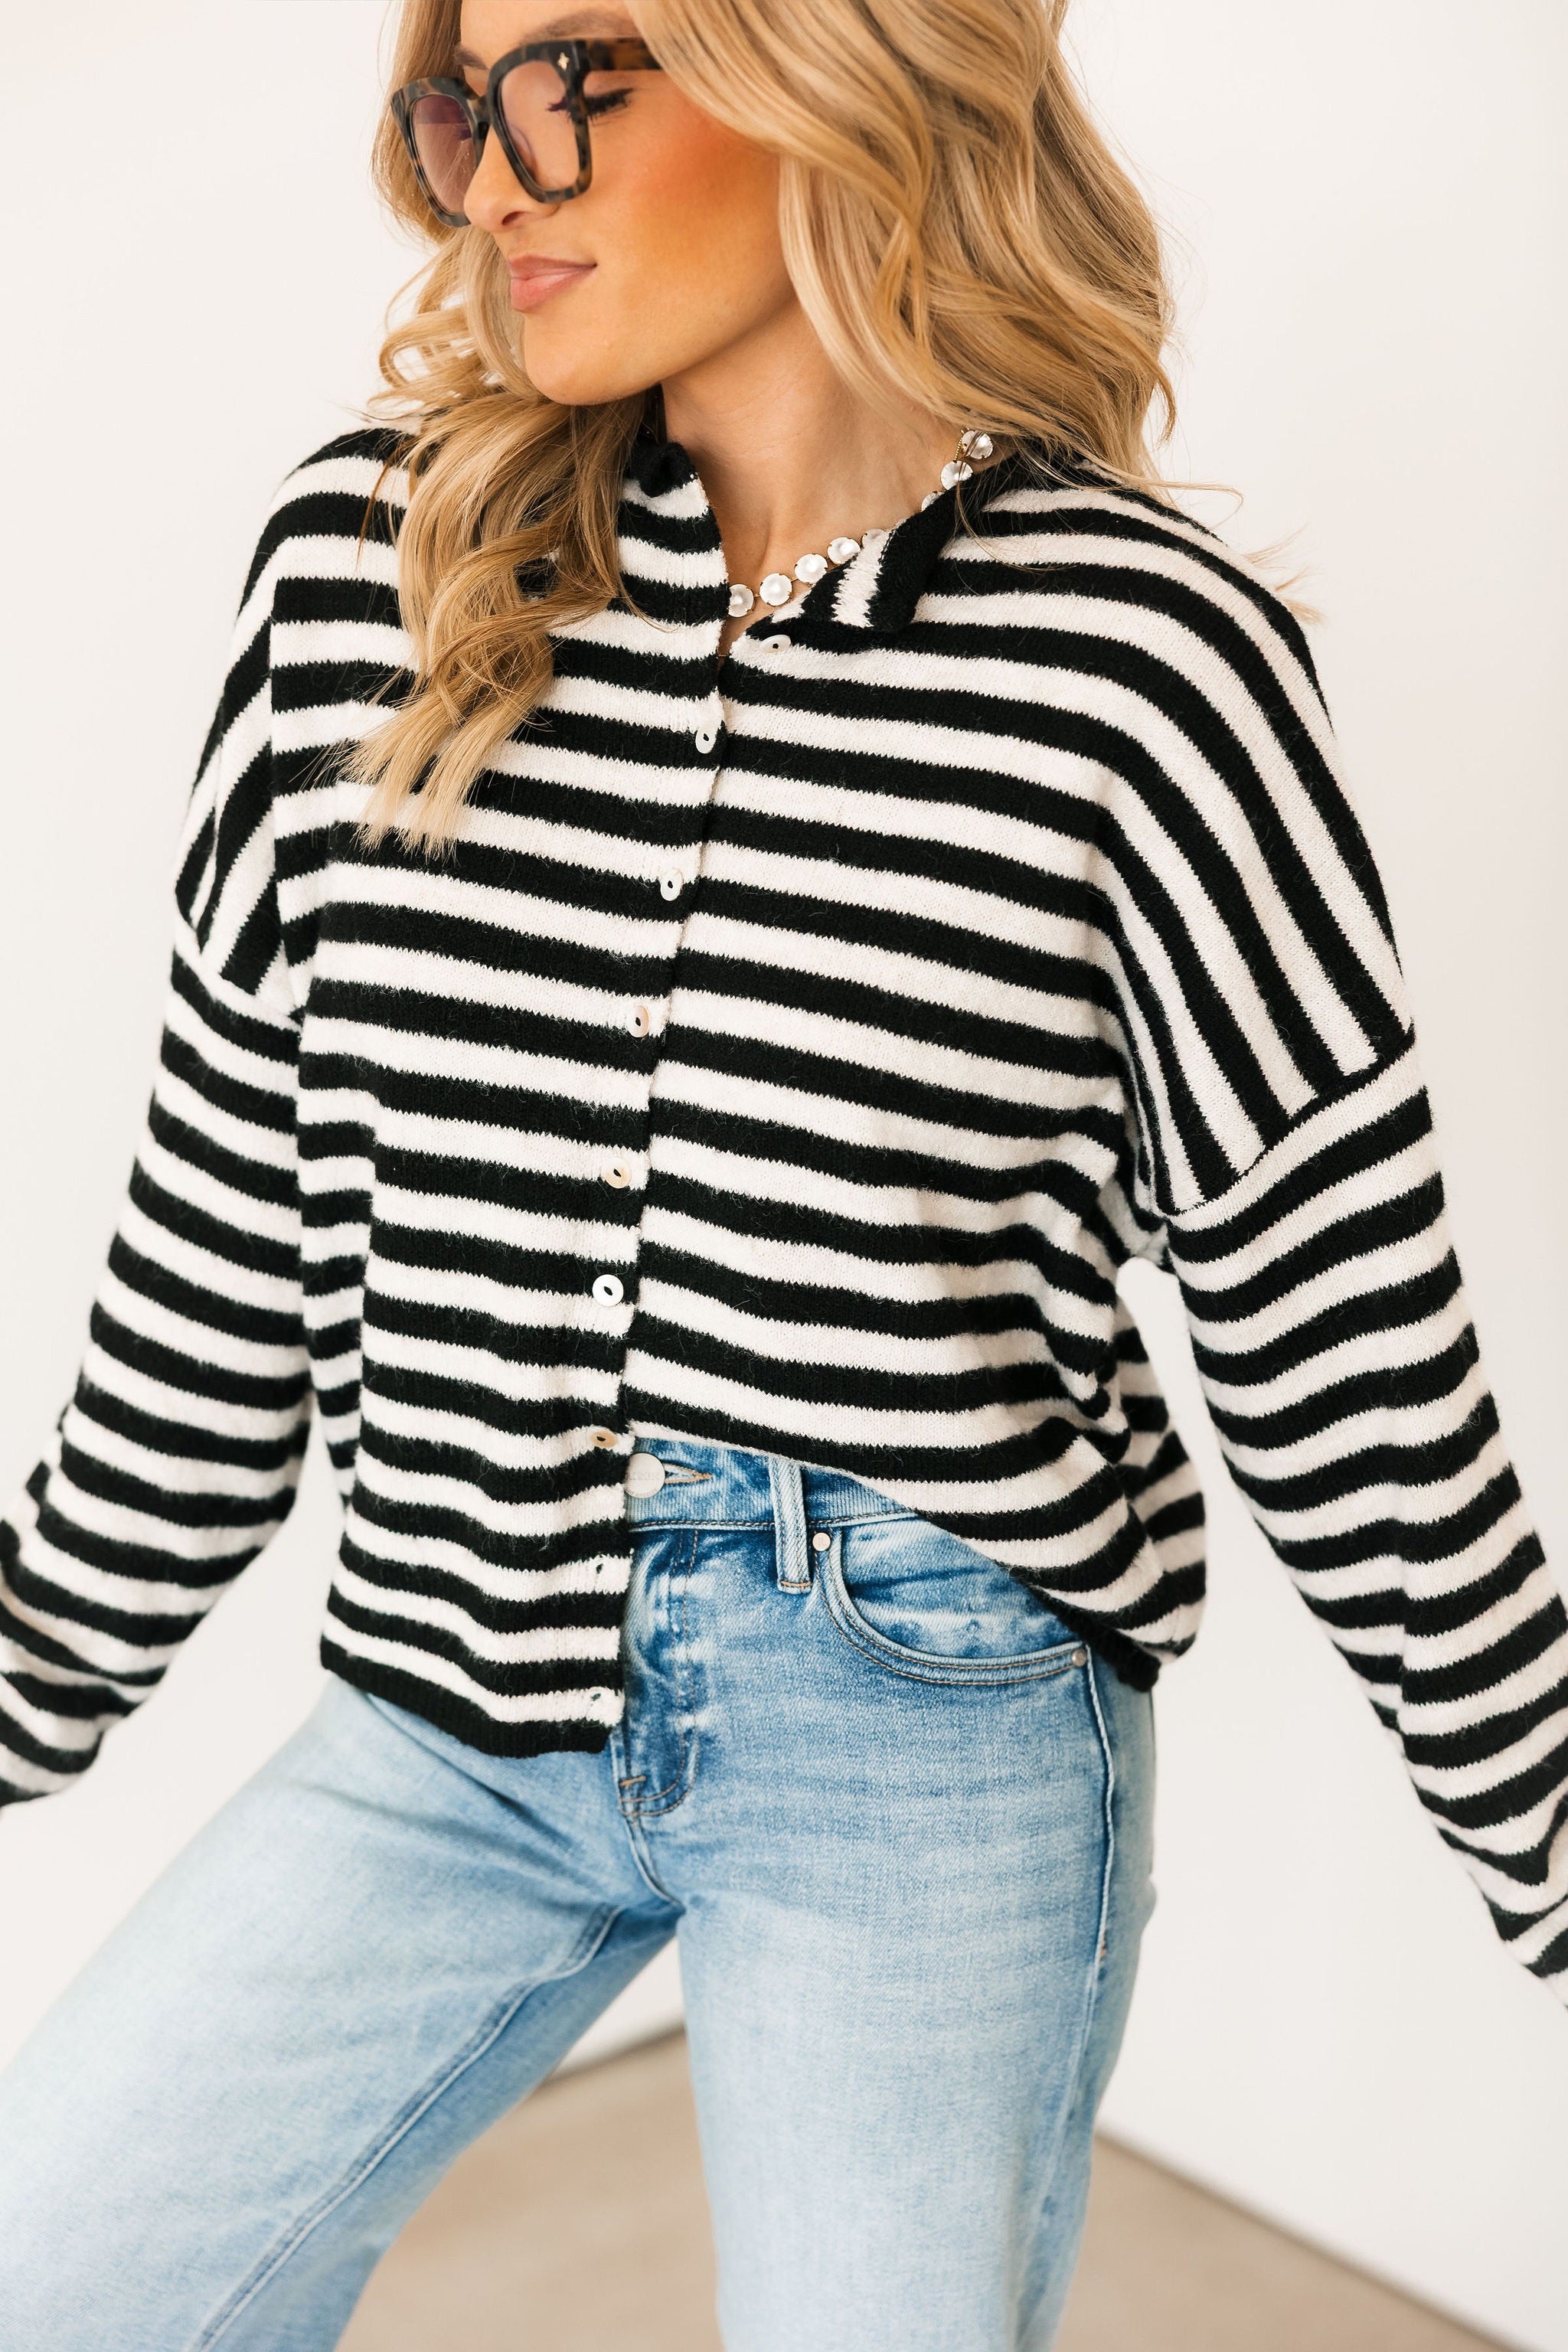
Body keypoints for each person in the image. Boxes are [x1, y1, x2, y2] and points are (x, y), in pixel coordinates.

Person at [1, 0, 1563, 2344]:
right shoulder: (373, 570)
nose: (489, 179)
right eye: (455, 106)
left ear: (826, 62)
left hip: (924, 1728)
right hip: (449, 1698)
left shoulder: (1145, 666)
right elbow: (224, 1257)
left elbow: (1350, 1370)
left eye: (565, 86)